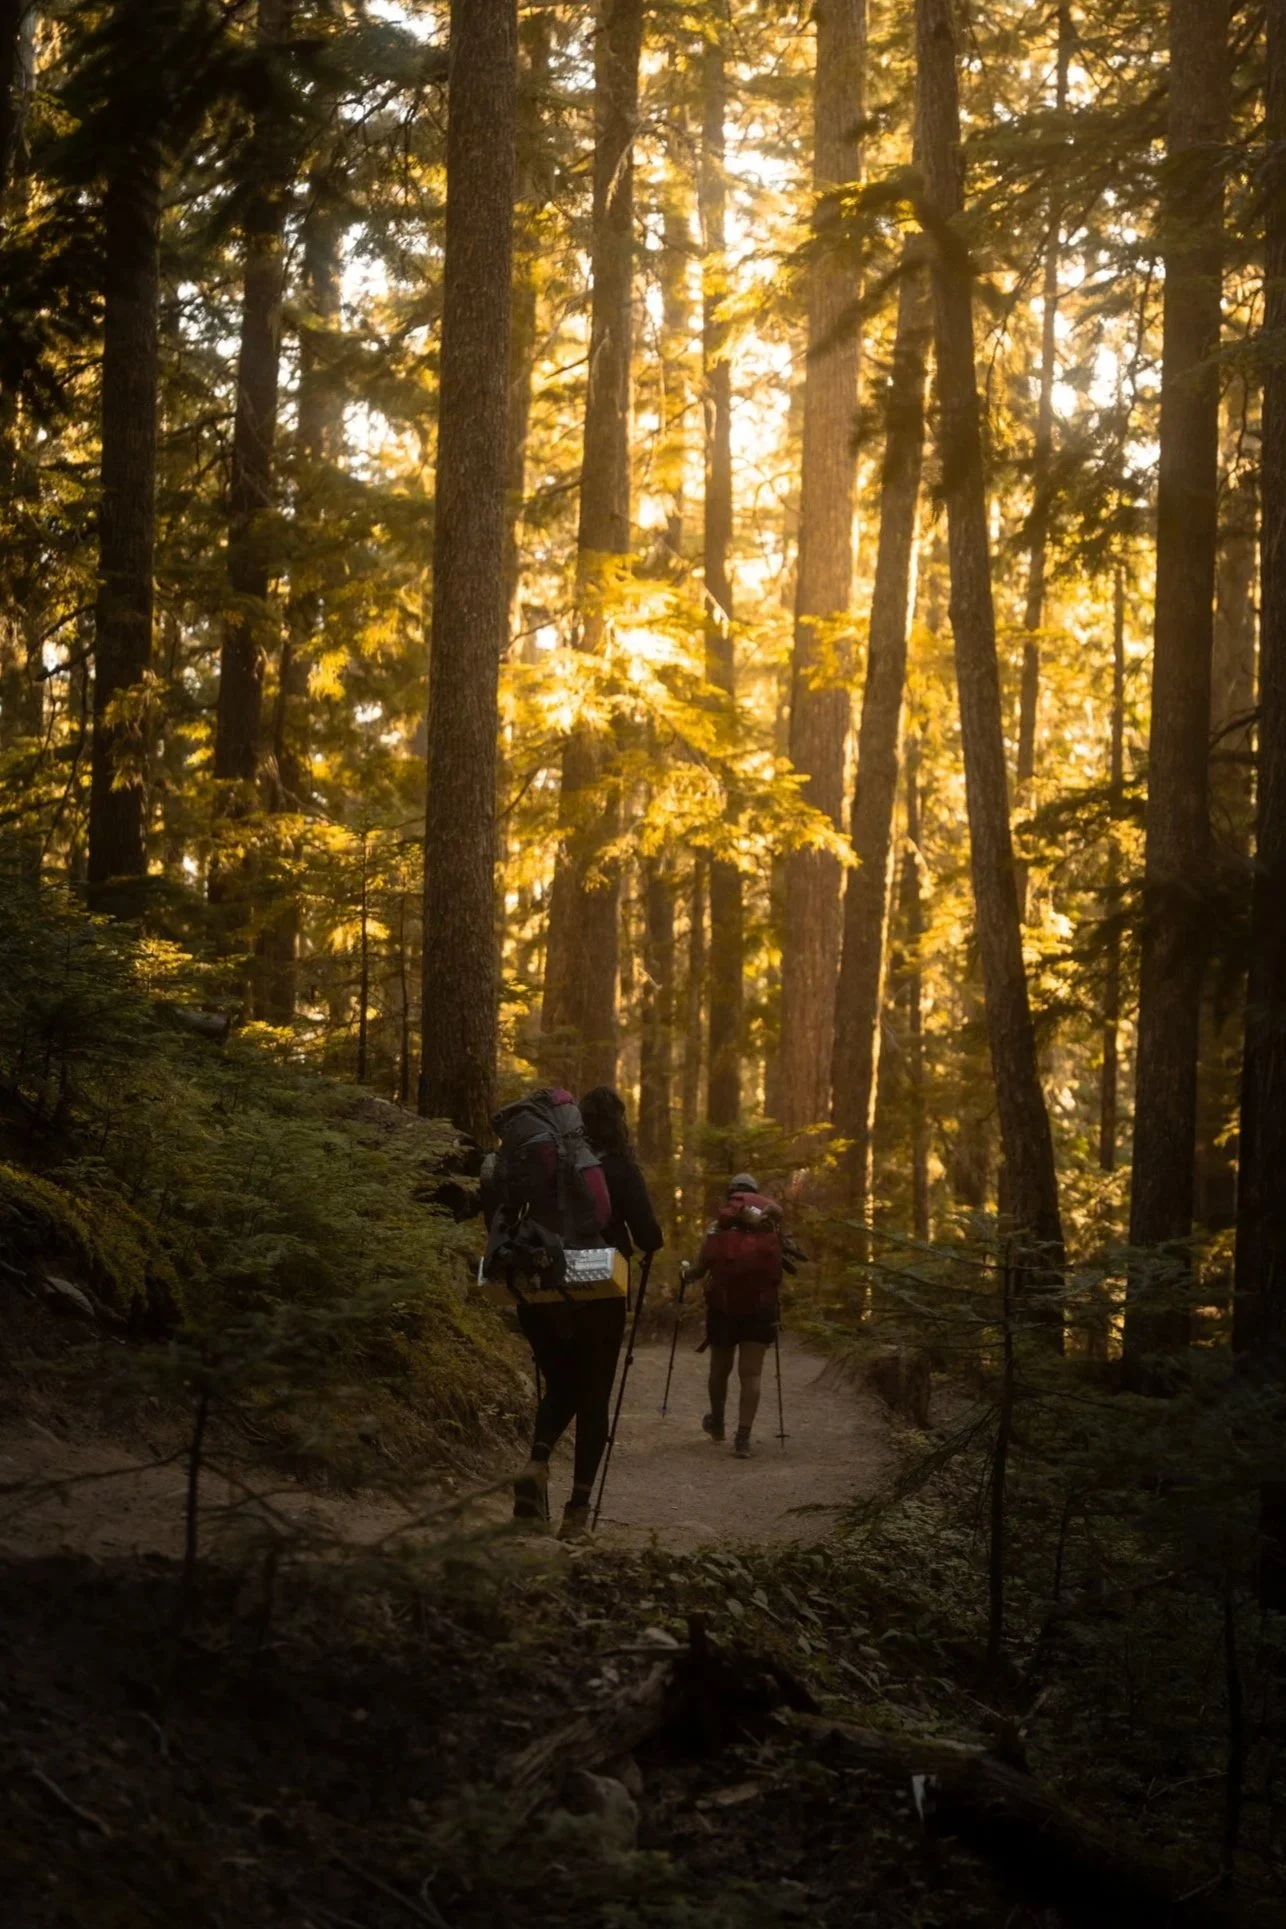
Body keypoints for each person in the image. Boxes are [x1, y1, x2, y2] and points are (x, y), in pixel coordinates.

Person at [685, 1172, 784, 1459]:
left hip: (723, 1307)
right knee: (751, 1374)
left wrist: (685, 1273)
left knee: (720, 1369)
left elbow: (699, 1269)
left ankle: (717, 1423)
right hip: (761, 1309)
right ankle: (743, 1438)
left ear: (731, 1196)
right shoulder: (770, 1227)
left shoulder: (718, 1227)